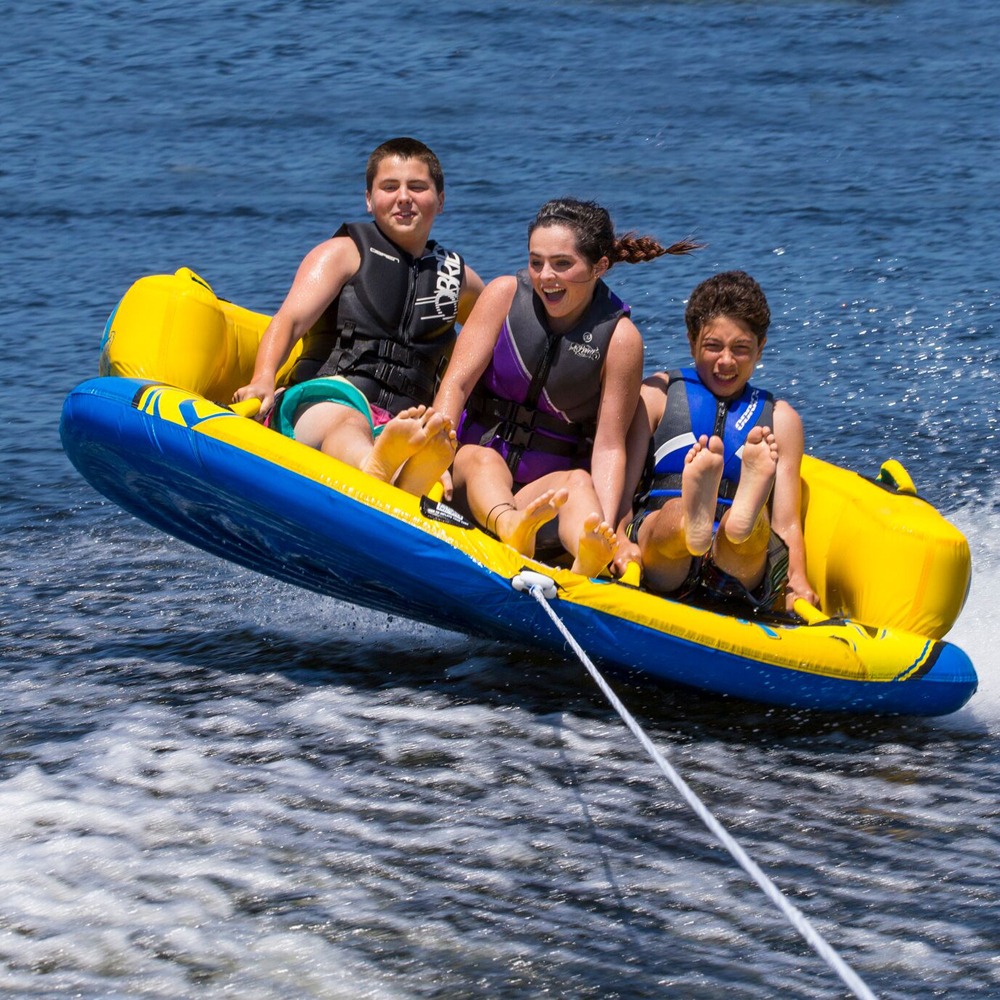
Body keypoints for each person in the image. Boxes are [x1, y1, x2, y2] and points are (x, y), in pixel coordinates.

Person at [425, 198, 701, 578]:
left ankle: (591, 556)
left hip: (537, 501)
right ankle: (509, 526)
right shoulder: (503, 296)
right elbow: (456, 384)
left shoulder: (620, 339)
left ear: (599, 267)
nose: (545, 276)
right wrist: (433, 457)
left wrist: (609, 524)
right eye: (536, 262)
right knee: (484, 460)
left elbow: (608, 446)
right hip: (467, 486)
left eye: (562, 264)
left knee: (577, 482)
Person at [233, 137, 484, 495]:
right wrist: (263, 378)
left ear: (440, 201)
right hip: (322, 403)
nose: (403, 197)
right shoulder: (342, 254)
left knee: (416, 443)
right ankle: (374, 467)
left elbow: (496, 343)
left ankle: (402, 473)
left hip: (398, 422)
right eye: (389, 187)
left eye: (417, 187)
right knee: (348, 419)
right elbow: (290, 321)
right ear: (369, 199)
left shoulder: (458, 281)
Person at [615, 270, 818, 611]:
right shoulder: (658, 396)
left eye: (741, 348)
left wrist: (798, 579)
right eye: (712, 346)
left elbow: (786, 522)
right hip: (661, 556)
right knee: (675, 514)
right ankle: (691, 522)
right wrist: (618, 538)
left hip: (734, 572)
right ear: (692, 340)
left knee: (751, 531)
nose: (726, 361)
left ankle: (738, 519)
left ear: (760, 349)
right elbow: (623, 488)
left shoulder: (781, 420)